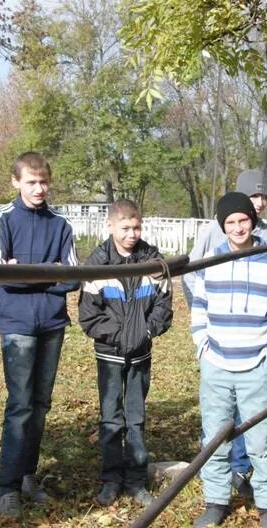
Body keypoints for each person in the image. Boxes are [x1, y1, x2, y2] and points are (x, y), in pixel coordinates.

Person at [0, 152, 79, 517]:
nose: (38, 189)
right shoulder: (2, 219)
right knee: (20, 405)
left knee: (40, 404)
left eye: (43, 182)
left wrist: (28, 273)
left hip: (52, 324)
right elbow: (2, 274)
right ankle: (6, 486)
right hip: (17, 325)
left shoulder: (61, 224)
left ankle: (28, 474)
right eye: (31, 182)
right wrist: (49, 272)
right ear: (16, 182)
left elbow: (73, 277)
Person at [183, 168, 267, 500]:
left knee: (261, 438)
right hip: (217, 362)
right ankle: (216, 499)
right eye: (231, 222)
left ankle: (266, 502)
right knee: (215, 437)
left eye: (243, 220)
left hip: (256, 363)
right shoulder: (211, 259)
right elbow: (200, 304)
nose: (238, 228)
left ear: (252, 221)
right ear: (222, 225)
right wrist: (202, 345)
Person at [78, 199, 173, 508]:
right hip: (110, 355)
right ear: (111, 226)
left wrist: (145, 332)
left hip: (141, 355)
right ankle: (111, 478)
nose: (132, 234)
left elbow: (163, 305)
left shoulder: (152, 260)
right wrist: (121, 335)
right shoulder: (97, 264)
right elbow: (89, 317)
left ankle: (135, 478)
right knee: (111, 418)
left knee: (136, 416)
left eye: (137, 228)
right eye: (126, 228)